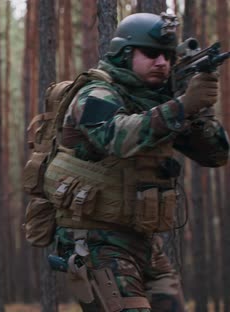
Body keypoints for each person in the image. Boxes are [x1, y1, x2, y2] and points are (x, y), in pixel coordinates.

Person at [43, 13, 229, 311]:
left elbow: (216, 155)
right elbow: (115, 137)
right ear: (124, 53)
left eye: (168, 56)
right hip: (94, 241)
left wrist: (198, 112)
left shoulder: (158, 102)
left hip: (143, 243)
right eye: (152, 53)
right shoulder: (95, 93)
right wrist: (181, 106)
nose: (162, 62)